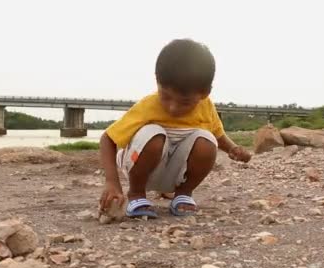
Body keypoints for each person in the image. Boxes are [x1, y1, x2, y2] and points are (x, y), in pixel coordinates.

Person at [99, 38, 252, 218]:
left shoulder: (206, 106)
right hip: (138, 168)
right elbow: (108, 139)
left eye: (185, 102)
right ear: (157, 81)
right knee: (154, 136)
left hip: (175, 173)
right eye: (166, 96)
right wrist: (112, 182)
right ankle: (136, 195)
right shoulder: (148, 106)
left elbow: (218, 135)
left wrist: (234, 149)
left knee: (207, 140)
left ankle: (183, 194)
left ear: (205, 93)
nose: (172, 107)